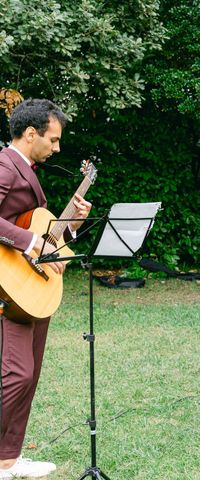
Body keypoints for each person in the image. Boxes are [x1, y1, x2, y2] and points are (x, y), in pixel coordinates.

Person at [0, 98, 92, 478]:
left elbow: (42, 231)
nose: (57, 148)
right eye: (53, 140)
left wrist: (68, 225)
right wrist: (31, 242)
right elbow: (29, 237)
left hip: (30, 291)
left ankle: (8, 459)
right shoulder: (5, 166)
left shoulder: (27, 171)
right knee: (17, 374)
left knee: (30, 374)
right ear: (31, 132)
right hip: (8, 286)